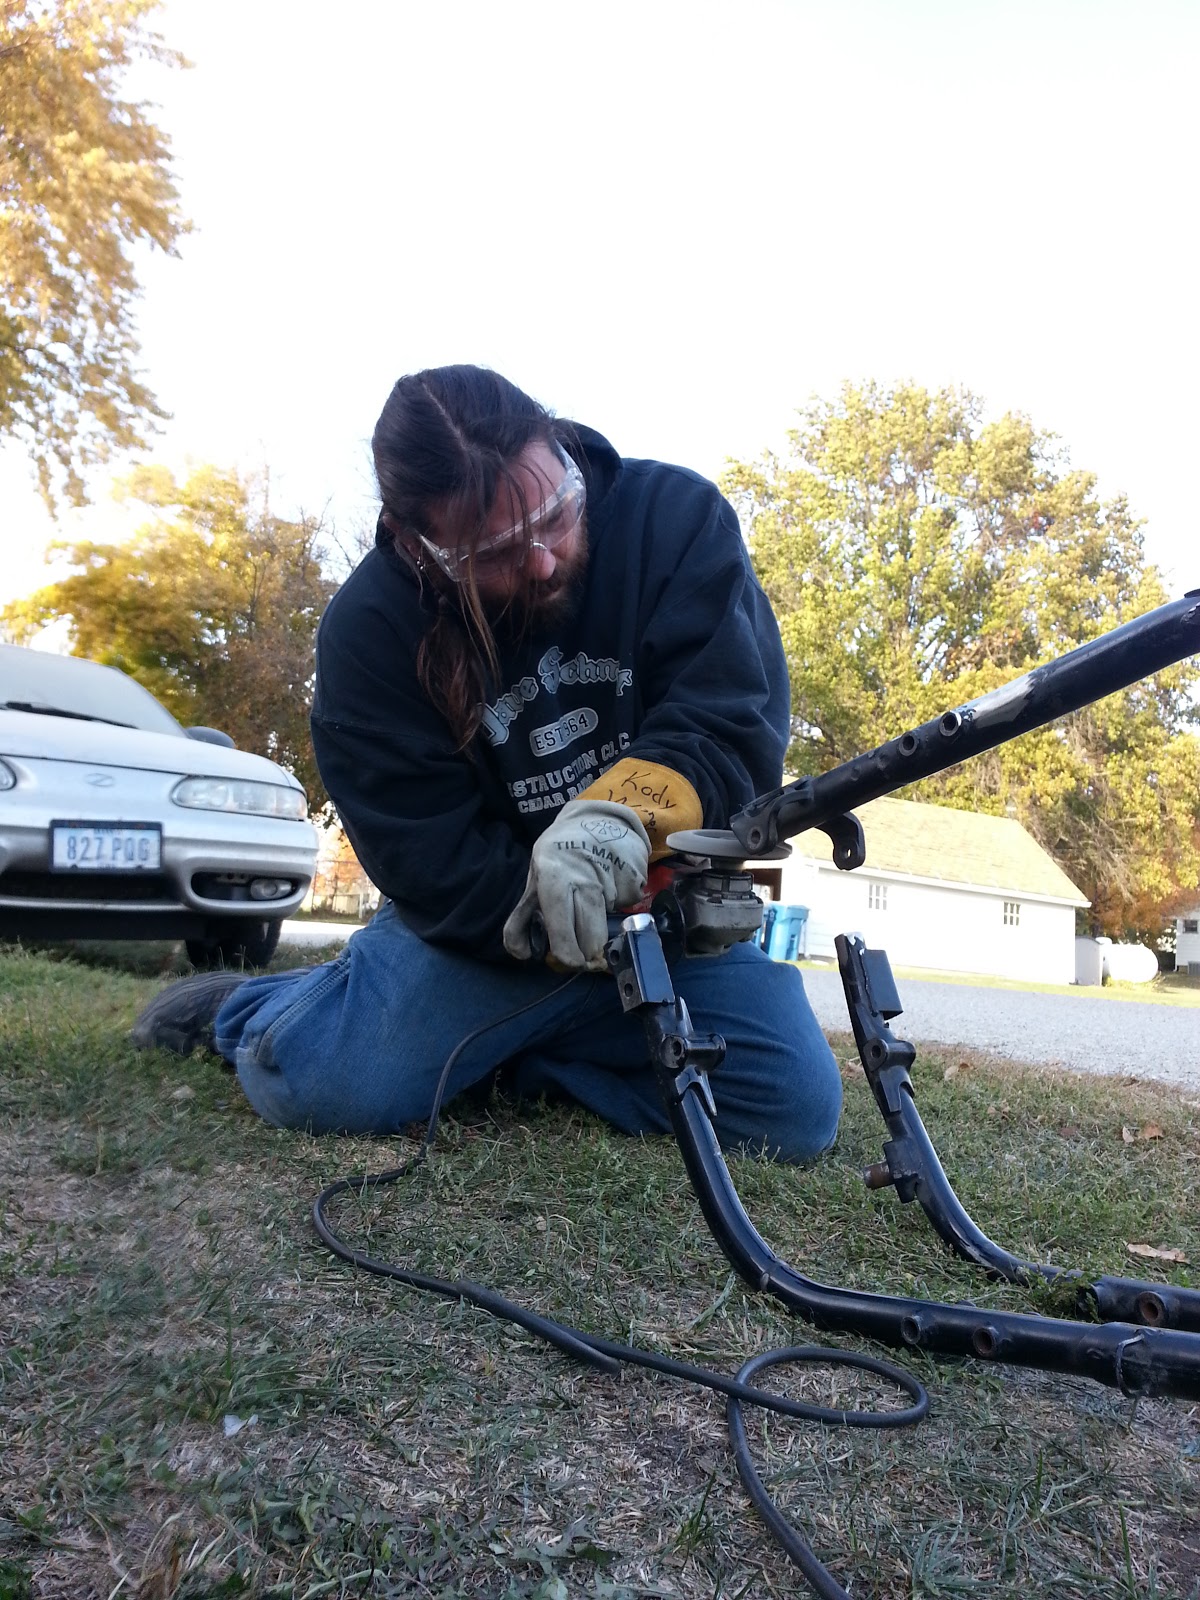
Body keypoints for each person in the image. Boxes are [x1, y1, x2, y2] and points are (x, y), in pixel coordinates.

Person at [133, 365, 842, 1161]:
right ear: (420, 548)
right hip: (489, 935)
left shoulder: (675, 521)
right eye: (500, 551)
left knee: (790, 1108)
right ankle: (250, 1009)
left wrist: (620, 822)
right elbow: (426, 858)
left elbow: (728, 725)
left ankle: (494, 1058)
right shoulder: (369, 634)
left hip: (661, 920)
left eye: (555, 514)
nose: (542, 560)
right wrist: (546, 905)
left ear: (564, 451)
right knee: (316, 1084)